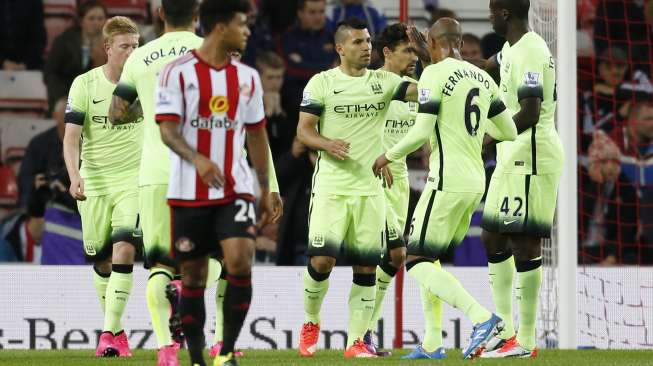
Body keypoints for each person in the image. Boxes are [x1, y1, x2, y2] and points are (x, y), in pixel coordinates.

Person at [373, 17, 516, 360]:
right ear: (460, 41)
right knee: (432, 257)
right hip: (475, 181)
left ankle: (483, 319)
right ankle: (433, 341)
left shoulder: (432, 75)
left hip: (446, 178)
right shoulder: (481, 76)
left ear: (432, 43)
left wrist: (387, 156)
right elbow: (509, 130)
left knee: (417, 259)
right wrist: (476, 137)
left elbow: (422, 132)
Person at [154, 0, 275, 365]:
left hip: (234, 186)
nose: (248, 31)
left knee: (240, 261)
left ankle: (226, 350)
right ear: (221, 27)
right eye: (243, 23)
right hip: (188, 190)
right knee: (193, 275)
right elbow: (167, 130)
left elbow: (256, 136)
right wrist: (197, 159)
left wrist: (264, 187)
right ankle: (196, 357)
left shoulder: (248, 77)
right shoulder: (176, 72)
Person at [295, 17, 420, 359]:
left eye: (367, 41)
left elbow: (423, 93)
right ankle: (310, 321)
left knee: (366, 266)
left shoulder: (384, 82)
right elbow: (303, 131)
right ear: (340, 48)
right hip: (332, 186)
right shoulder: (322, 83)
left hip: (370, 189)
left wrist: (437, 62)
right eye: (357, 43)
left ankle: (356, 343)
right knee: (322, 260)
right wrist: (325, 143)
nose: (366, 47)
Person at [109, 1, 202, 364]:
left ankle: (166, 349)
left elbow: (117, 114)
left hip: (154, 173)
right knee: (208, 258)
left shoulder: (140, 57)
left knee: (159, 264)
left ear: (160, 13)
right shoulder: (210, 51)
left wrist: (150, 107)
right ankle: (181, 291)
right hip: (200, 170)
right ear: (197, 12)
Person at [480, 0, 564, 358]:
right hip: (511, 157)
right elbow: (484, 68)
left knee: (523, 242)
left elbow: (530, 112)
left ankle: (524, 340)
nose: (487, 17)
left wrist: (487, 138)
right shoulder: (509, 48)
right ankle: (505, 329)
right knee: (492, 236)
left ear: (503, 14)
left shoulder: (531, 50)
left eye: (490, 12)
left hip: (531, 156)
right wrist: (442, 61)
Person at [62, 16, 141, 358]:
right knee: (102, 260)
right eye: (125, 47)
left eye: (136, 47)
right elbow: (71, 138)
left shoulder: (145, 83)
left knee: (125, 247)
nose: (132, 53)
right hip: (94, 181)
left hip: (133, 181)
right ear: (108, 48)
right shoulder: (85, 84)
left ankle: (108, 333)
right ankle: (118, 332)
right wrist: (74, 174)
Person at [362, 22, 432, 357]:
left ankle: (363, 333)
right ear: (387, 52)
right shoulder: (369, 84)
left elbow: (428, 130)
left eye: (416, 51)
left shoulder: (416, 89)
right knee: (395, 254)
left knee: (392, 257)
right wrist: (380, 155)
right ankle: (360, 332)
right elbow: (351, 126)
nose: (414, 57)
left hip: (399, 182)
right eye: (408, 50)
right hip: (371, 178)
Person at [44, 0, 108, 114]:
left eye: (100, 18)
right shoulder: (64, 41)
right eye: (91, 18)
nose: (96, 23)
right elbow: (50, 73)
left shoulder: (113, 44)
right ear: (81, 21)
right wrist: (62, 98)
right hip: (67, 95)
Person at [278, 0, 336, 121]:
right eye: (312, 12)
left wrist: (304, 64)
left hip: (331, 90)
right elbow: (291, 70)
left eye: (321, 11)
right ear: (300, 13)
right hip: (300, 93)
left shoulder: (333, 35)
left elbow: (338, 66)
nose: (318, 17)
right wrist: (325, 68)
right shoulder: (288, 37)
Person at [0, 0, 46, 70]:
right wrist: (3, 63)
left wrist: (25, 64)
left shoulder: (34, 2)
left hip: (28, 64)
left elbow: (39, 38)